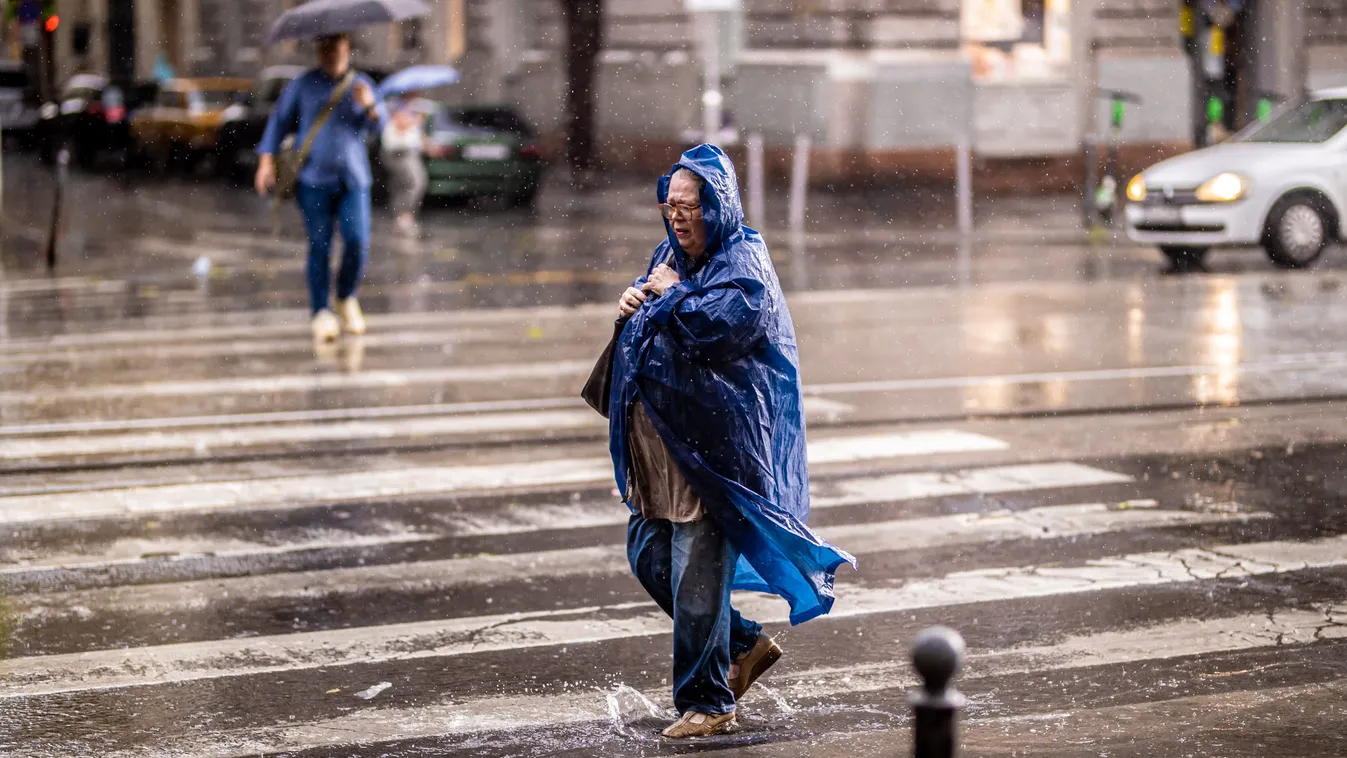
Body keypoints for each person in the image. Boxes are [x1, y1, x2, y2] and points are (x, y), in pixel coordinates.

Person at [609, 144, 855, 739]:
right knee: (648, 556)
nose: (678, 219)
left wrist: (667, 298)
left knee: (697, 576)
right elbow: (660, 316)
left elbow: (717, 328)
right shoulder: (671, 254)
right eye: (670, 208)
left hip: (716, 454)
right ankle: (744, 643)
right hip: (667, 449)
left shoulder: (745, 261)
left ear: (717, 205)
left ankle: (709, 701)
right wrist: (632, 307)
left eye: (689, 207)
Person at [255, 33, 386, 343]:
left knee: (357, 241)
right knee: (320, 246)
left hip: (353, 179)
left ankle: (345, 296)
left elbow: (380, 128)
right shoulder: (303, 84)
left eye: (335, 47)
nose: (329, 53)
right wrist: (265, 163)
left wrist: (370, 107)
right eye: (324, 47)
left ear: (348, 49)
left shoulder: (362, 85)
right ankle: (320, 312)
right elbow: (278, 122)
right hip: (313, 179)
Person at [381, 94, 433, 237]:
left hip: (409, 152)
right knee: (414, 183)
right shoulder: (398, 105)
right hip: (399, 152)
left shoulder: (412, 109)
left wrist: (429, 147)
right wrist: (418, 118)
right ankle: (403, 218)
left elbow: (416, 134)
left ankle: (402, 218)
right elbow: (401, 124)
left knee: (403, 185)